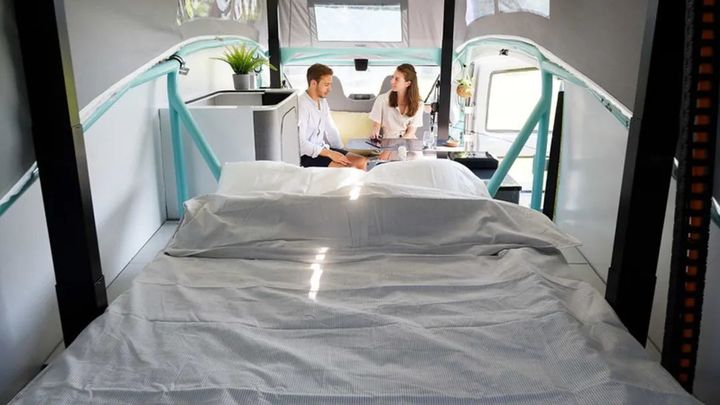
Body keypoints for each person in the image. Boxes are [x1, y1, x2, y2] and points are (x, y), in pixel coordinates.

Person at [298, 63, 367, 169]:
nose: (330, 89)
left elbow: (331, 130)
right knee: (346, 169)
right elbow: (301, 144)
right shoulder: (302, 105)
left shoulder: (323, 102)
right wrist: (330, 153)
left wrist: (341, 151)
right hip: (307, 156)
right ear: (313, 83)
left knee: (362, 161)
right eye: (326, 85)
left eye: (330, 84)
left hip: (322, 149)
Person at [369, 64, 424, 160]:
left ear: (408, 83)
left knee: (416, 160)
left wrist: (392, 148)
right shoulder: (382, 100)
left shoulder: (419, 104)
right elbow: (376, 125)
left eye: (397, 79)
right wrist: (375, 133)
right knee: (393, 161)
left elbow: (411, 132)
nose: (392, 81)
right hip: (388, 142)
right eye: (392, 77)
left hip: (409, 142)